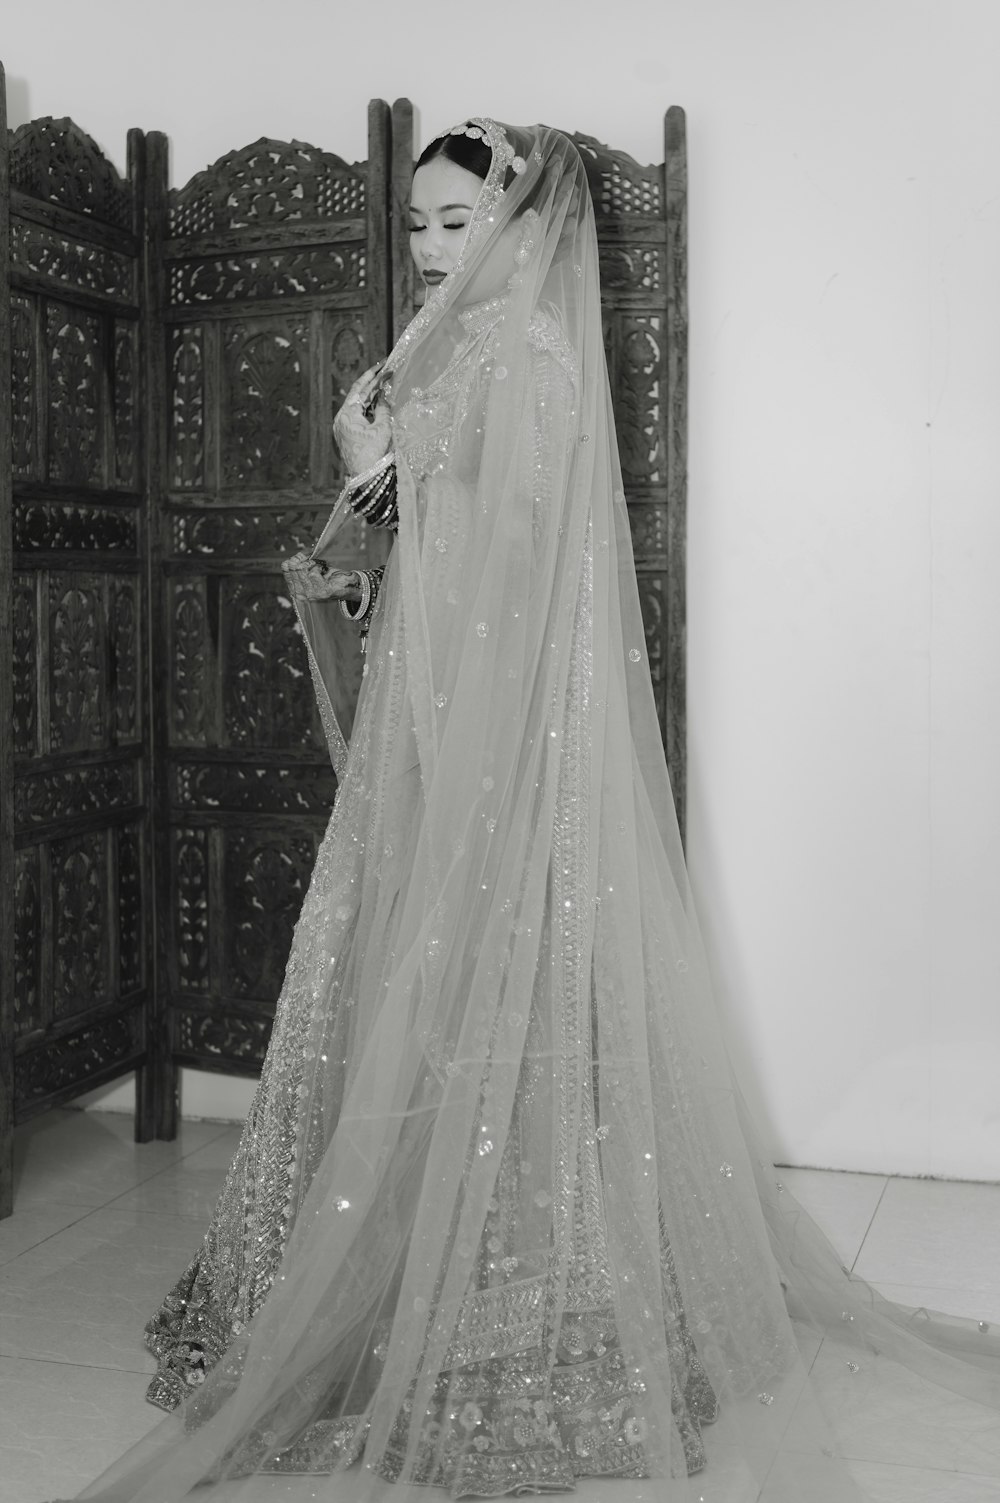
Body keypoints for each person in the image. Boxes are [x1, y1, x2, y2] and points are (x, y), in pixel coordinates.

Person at [57, 119, 1000, 1503]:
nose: (435, 247)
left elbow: (498, 572)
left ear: (524, 223)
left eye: (460, 220)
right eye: (420, 225)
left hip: (495, 746)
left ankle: (503, 1287)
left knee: (489, 988)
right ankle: (399, 1253)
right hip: (442, 731)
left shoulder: (526, 362)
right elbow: (407, 569)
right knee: (421, 988)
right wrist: (377, 470)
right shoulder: (466, 359)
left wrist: (375, 466)